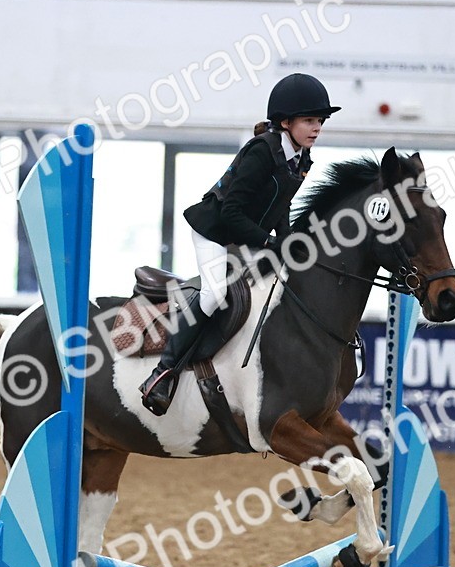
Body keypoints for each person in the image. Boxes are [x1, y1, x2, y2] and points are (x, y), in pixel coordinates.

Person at [139, 73, 340, 416]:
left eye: (320, 120)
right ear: (285, 122)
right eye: (309, 120)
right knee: (215, 294)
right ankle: (163, 373)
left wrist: (287, 241)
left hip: (247, 236)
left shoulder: (303, 158)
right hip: (215, 231)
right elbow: (231, 212)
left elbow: (281, 206)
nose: (317, 127)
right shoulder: (261, 152)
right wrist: (269, 242)